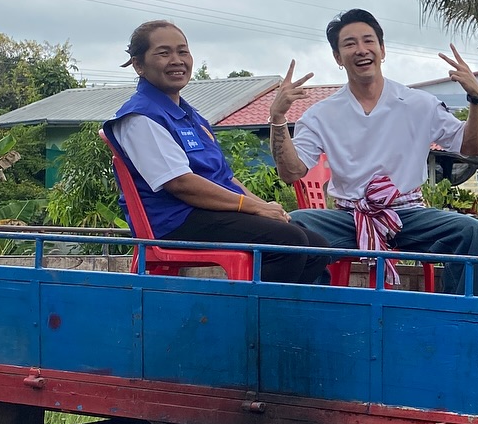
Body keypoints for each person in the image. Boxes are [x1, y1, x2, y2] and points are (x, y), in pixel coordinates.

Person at [269, 8, 478, 295]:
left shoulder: (417, 103)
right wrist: (277, 118)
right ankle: (314, 314)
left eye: (368, 41)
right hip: (350, 218)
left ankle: (464, 320)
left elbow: (470, 147)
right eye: (349, 44)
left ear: (382, 50)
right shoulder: (321, 114)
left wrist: (476, 98)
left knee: (471, 230)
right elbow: (291, 172)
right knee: (295, 225)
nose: (361, 50)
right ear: (337, 57)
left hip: (408, 216)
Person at [104, 20, 330, 285]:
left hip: (210, 213)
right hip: (176, 222)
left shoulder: (190, 115)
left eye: (183, 51)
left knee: (317, 246)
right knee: (288, 242)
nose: (177, 60)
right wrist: (253, 207)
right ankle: (246, 321)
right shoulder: (139, 117)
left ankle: (291, 318)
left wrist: (267, 206)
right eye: (164, 53)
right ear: (139, 65)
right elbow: (180, 183)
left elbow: (224, 177)